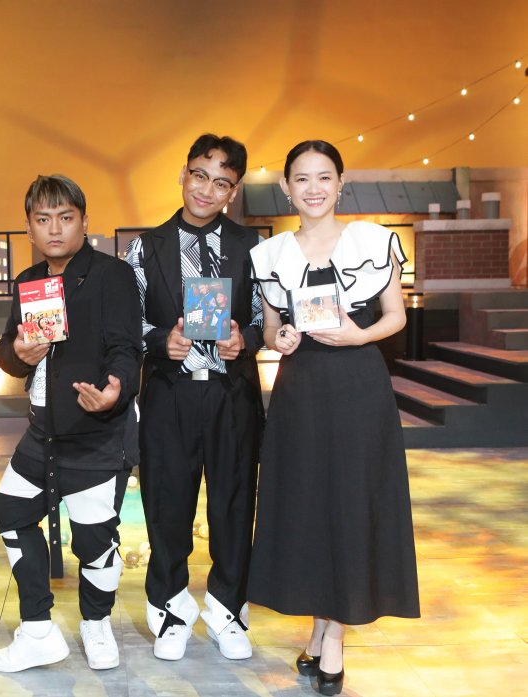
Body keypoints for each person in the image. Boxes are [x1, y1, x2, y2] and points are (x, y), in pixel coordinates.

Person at [248, 140, 420, 696]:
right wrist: (280, 338)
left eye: (324, 177)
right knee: (308, 505)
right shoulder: (270, 254)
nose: (314, 188)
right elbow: (269, 328)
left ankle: (335, 640)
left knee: (350, 502)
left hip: (359, 386)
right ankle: (321, 628)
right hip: (300, 389)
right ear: (286, 187)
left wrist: (358, 336)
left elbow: (395, 316)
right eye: (302, 178)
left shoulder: (372, 241)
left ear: (341, 183)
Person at [0, 175, 142, 673]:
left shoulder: (111, 275)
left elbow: (126, 348)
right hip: (42, 433)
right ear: (29, 228)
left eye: (65, 217)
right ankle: (37, 629)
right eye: (43, 219)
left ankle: (96, 623)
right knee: (11, 511)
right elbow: (6, 350)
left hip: (96, 433)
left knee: (94, 540)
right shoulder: (29, 280)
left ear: (83, 221)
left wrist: (116, 389)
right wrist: (19, 352)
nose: (54, 228)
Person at [124, 133, 264, 662]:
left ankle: (228, 610)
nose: (207, 189)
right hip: (169, 393)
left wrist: (245, 339)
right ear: (183, 175)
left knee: (234, 504)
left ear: (233, 190)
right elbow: (127, 322)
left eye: (221, 183)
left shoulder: (252, 247)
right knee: (167, 504)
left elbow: (267, 317)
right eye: (200, 176)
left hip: (231, 395)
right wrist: (162, 341)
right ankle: (170, 610)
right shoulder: (146, 247)